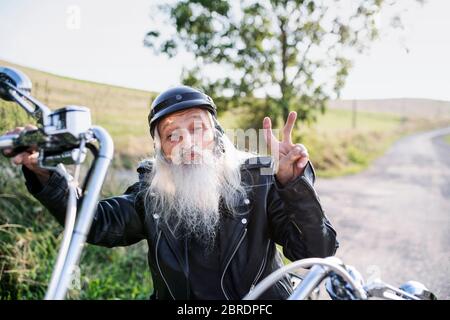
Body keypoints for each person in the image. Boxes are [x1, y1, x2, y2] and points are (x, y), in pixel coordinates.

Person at [5, 85, 338, 300]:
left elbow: (316, 252)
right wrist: (44, 171)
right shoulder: (151, 195)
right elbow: (96, 222)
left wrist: (292, 185)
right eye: (172, 135)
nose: (187, 143)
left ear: (218, 136)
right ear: (161, 149)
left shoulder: (260, 181)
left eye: (197, 128)